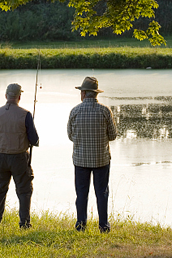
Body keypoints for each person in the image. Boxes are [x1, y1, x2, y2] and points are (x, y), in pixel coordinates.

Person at [67, 76, 117, 233]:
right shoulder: (105, 110)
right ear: (96, 94)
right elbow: (113, 135)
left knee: (81, 193)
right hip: (101, 159)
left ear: (83, 93)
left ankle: (81, 225)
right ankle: (103, 226)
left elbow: (70, 135)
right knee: (102, 193)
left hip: (81, 160)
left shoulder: (75, 111)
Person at [0, 83, 39, 228]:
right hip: (19, 157)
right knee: (24, 190)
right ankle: (24, 222)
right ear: (19, 97)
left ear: (6, 96)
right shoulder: (25, 114)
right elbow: (34, 139)